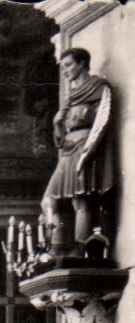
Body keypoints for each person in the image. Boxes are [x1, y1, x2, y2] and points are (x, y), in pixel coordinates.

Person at [42, 47, 116, 256]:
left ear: (82, 63)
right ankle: (55, 247)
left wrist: (89, 150)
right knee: (48, 201)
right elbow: (61, 136)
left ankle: (79, 249)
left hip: (85, 148)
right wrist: (57, 125)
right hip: (67, 151)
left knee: (80, 201)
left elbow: (102, 122)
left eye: (68, 65)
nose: (65, 70)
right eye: (62, 67)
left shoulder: (99, 88)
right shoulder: (71, 96)